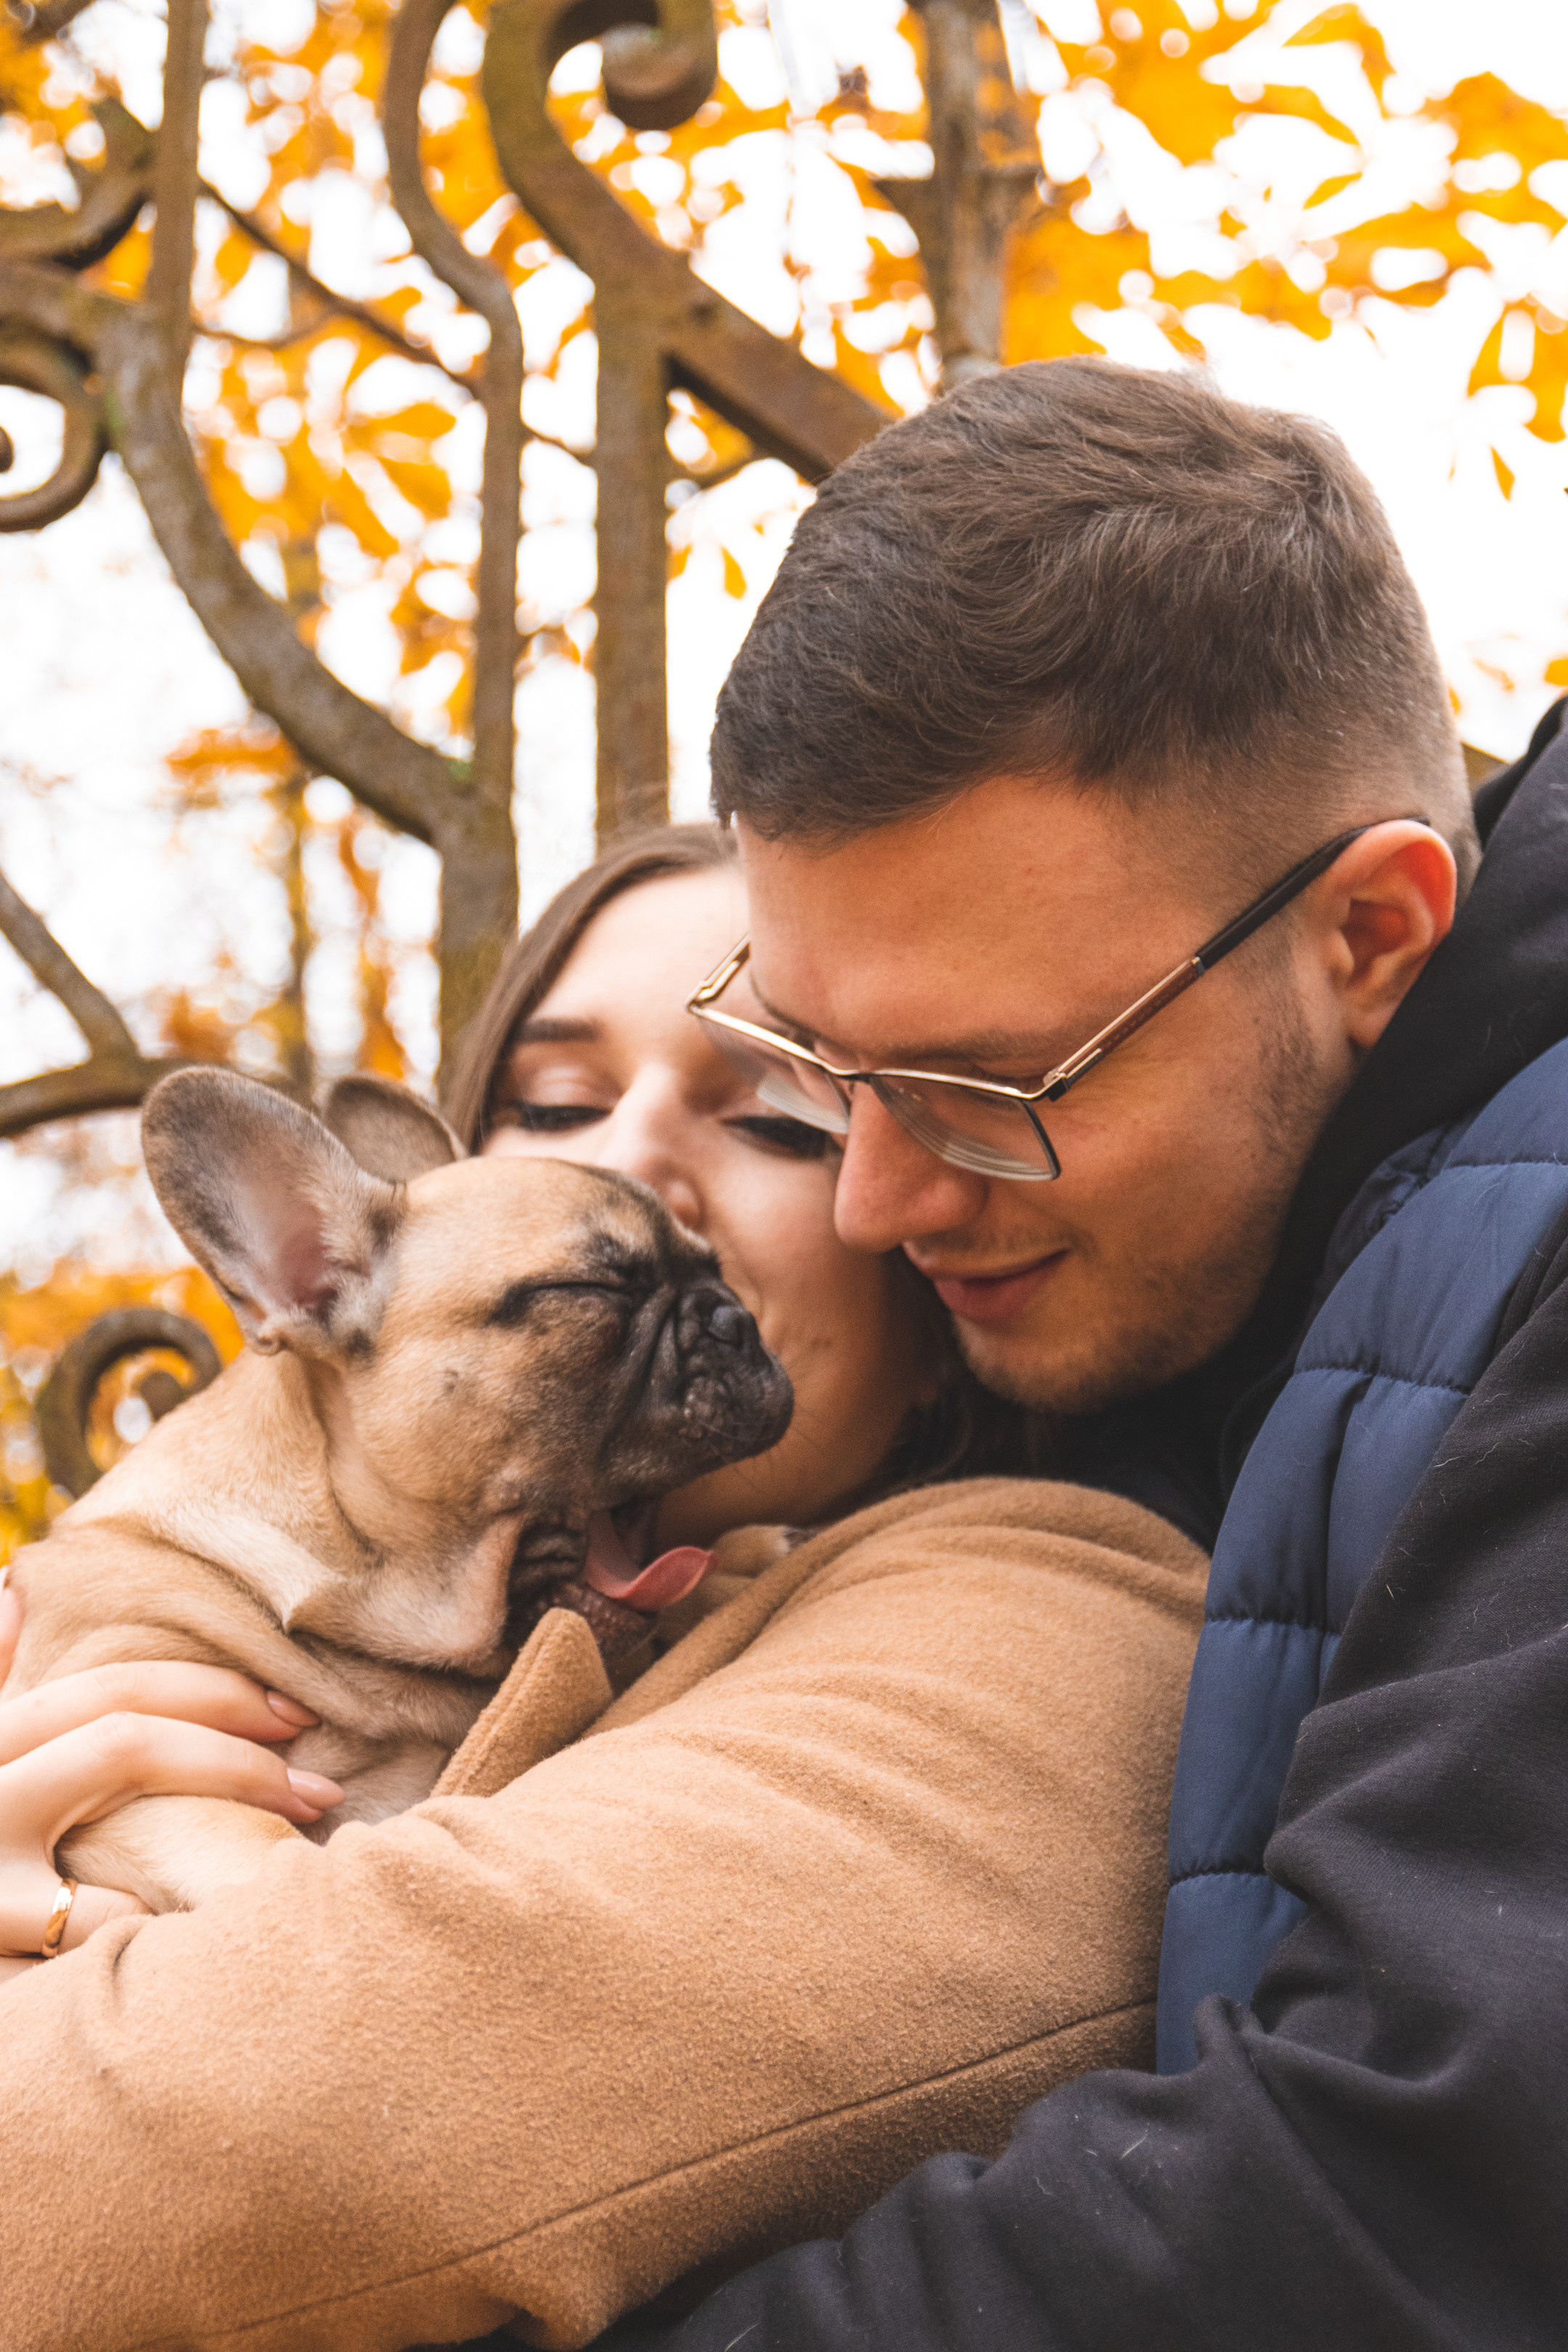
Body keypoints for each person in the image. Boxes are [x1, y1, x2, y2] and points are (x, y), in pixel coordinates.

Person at [589, 357, 1568, 2348]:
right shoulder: (1181, 1297)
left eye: (983, 1082)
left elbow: (1416, 2190)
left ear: (1373, 929)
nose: (875, 1198)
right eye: (816, 1065)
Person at [0, 817, 1206, 2346]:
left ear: (933, 1242)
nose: (627, 1161)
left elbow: (291, 2105)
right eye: (552, 1104)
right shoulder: (166, 1588)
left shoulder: (1040, 1613)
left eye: (782, 1116)